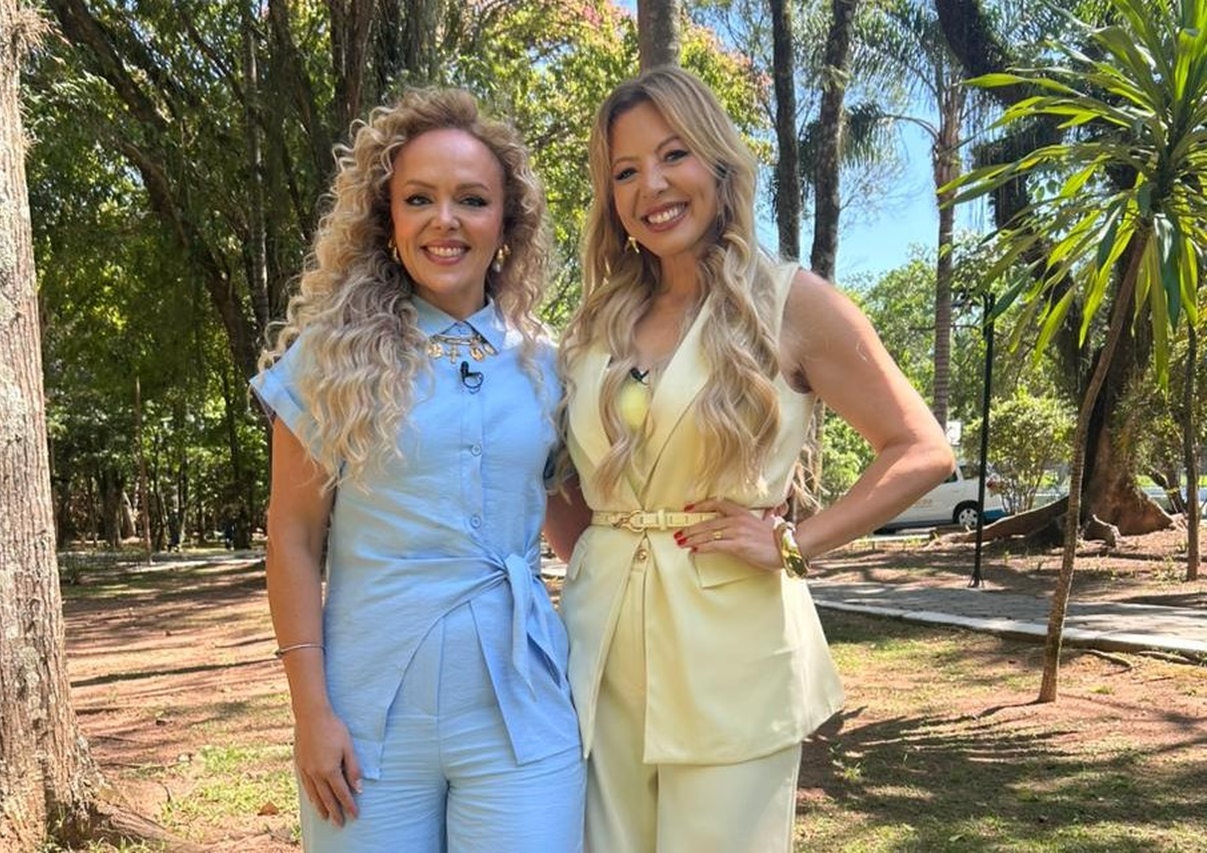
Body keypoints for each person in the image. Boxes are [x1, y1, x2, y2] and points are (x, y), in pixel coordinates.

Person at [550, 66, 954, 852]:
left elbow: (922, 448)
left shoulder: (789, 301)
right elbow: (565, 481)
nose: (652, 185)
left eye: (673, 154)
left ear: (717, 162)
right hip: (596, 652)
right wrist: (600, 556)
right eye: (626, 171)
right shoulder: (599, 321)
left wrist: (792, 545)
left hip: (732, 653)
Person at [252, 87, 584, 852]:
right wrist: (311, 712)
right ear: (387, 218)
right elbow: (293, 536)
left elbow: (581, 530)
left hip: (523, 713)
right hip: (365, 721)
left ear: (506, 220)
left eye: (472, 199)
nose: (445, 219)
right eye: (419, 198)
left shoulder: (550, 368)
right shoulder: (328, 361)